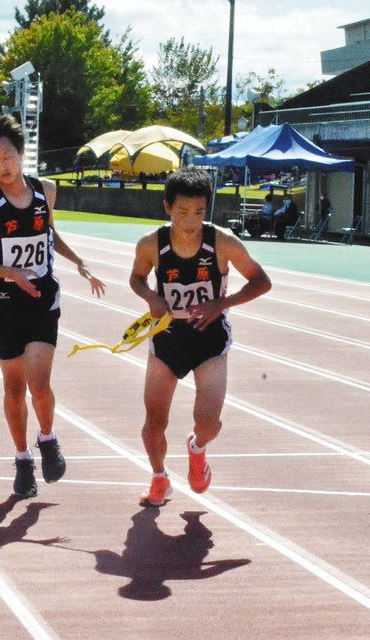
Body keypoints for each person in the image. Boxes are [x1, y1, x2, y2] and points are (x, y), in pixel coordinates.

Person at [0, 113, 105, 498]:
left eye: (6, 157)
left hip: (43, 298)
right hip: (7, 303)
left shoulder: (46, 189)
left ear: (21, 152)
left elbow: (49, 231)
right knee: (14, 388)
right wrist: (11, 273)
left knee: (39, 382)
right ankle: (22, 458)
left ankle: (48, 438)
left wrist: (79, 261)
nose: (1, 167)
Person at [129, 167, 271, 506]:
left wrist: (221, 304)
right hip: (168, 339)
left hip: (209, 341)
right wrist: (152, 298)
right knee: (153, 422)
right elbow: (137, 278)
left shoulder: (222, 242)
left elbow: (261, 281)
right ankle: (160, 479)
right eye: (182, 212)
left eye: (198, 211)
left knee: (208, 422)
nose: (191, 220)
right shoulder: (152, 244)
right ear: (167, 207)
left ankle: (197, 449)